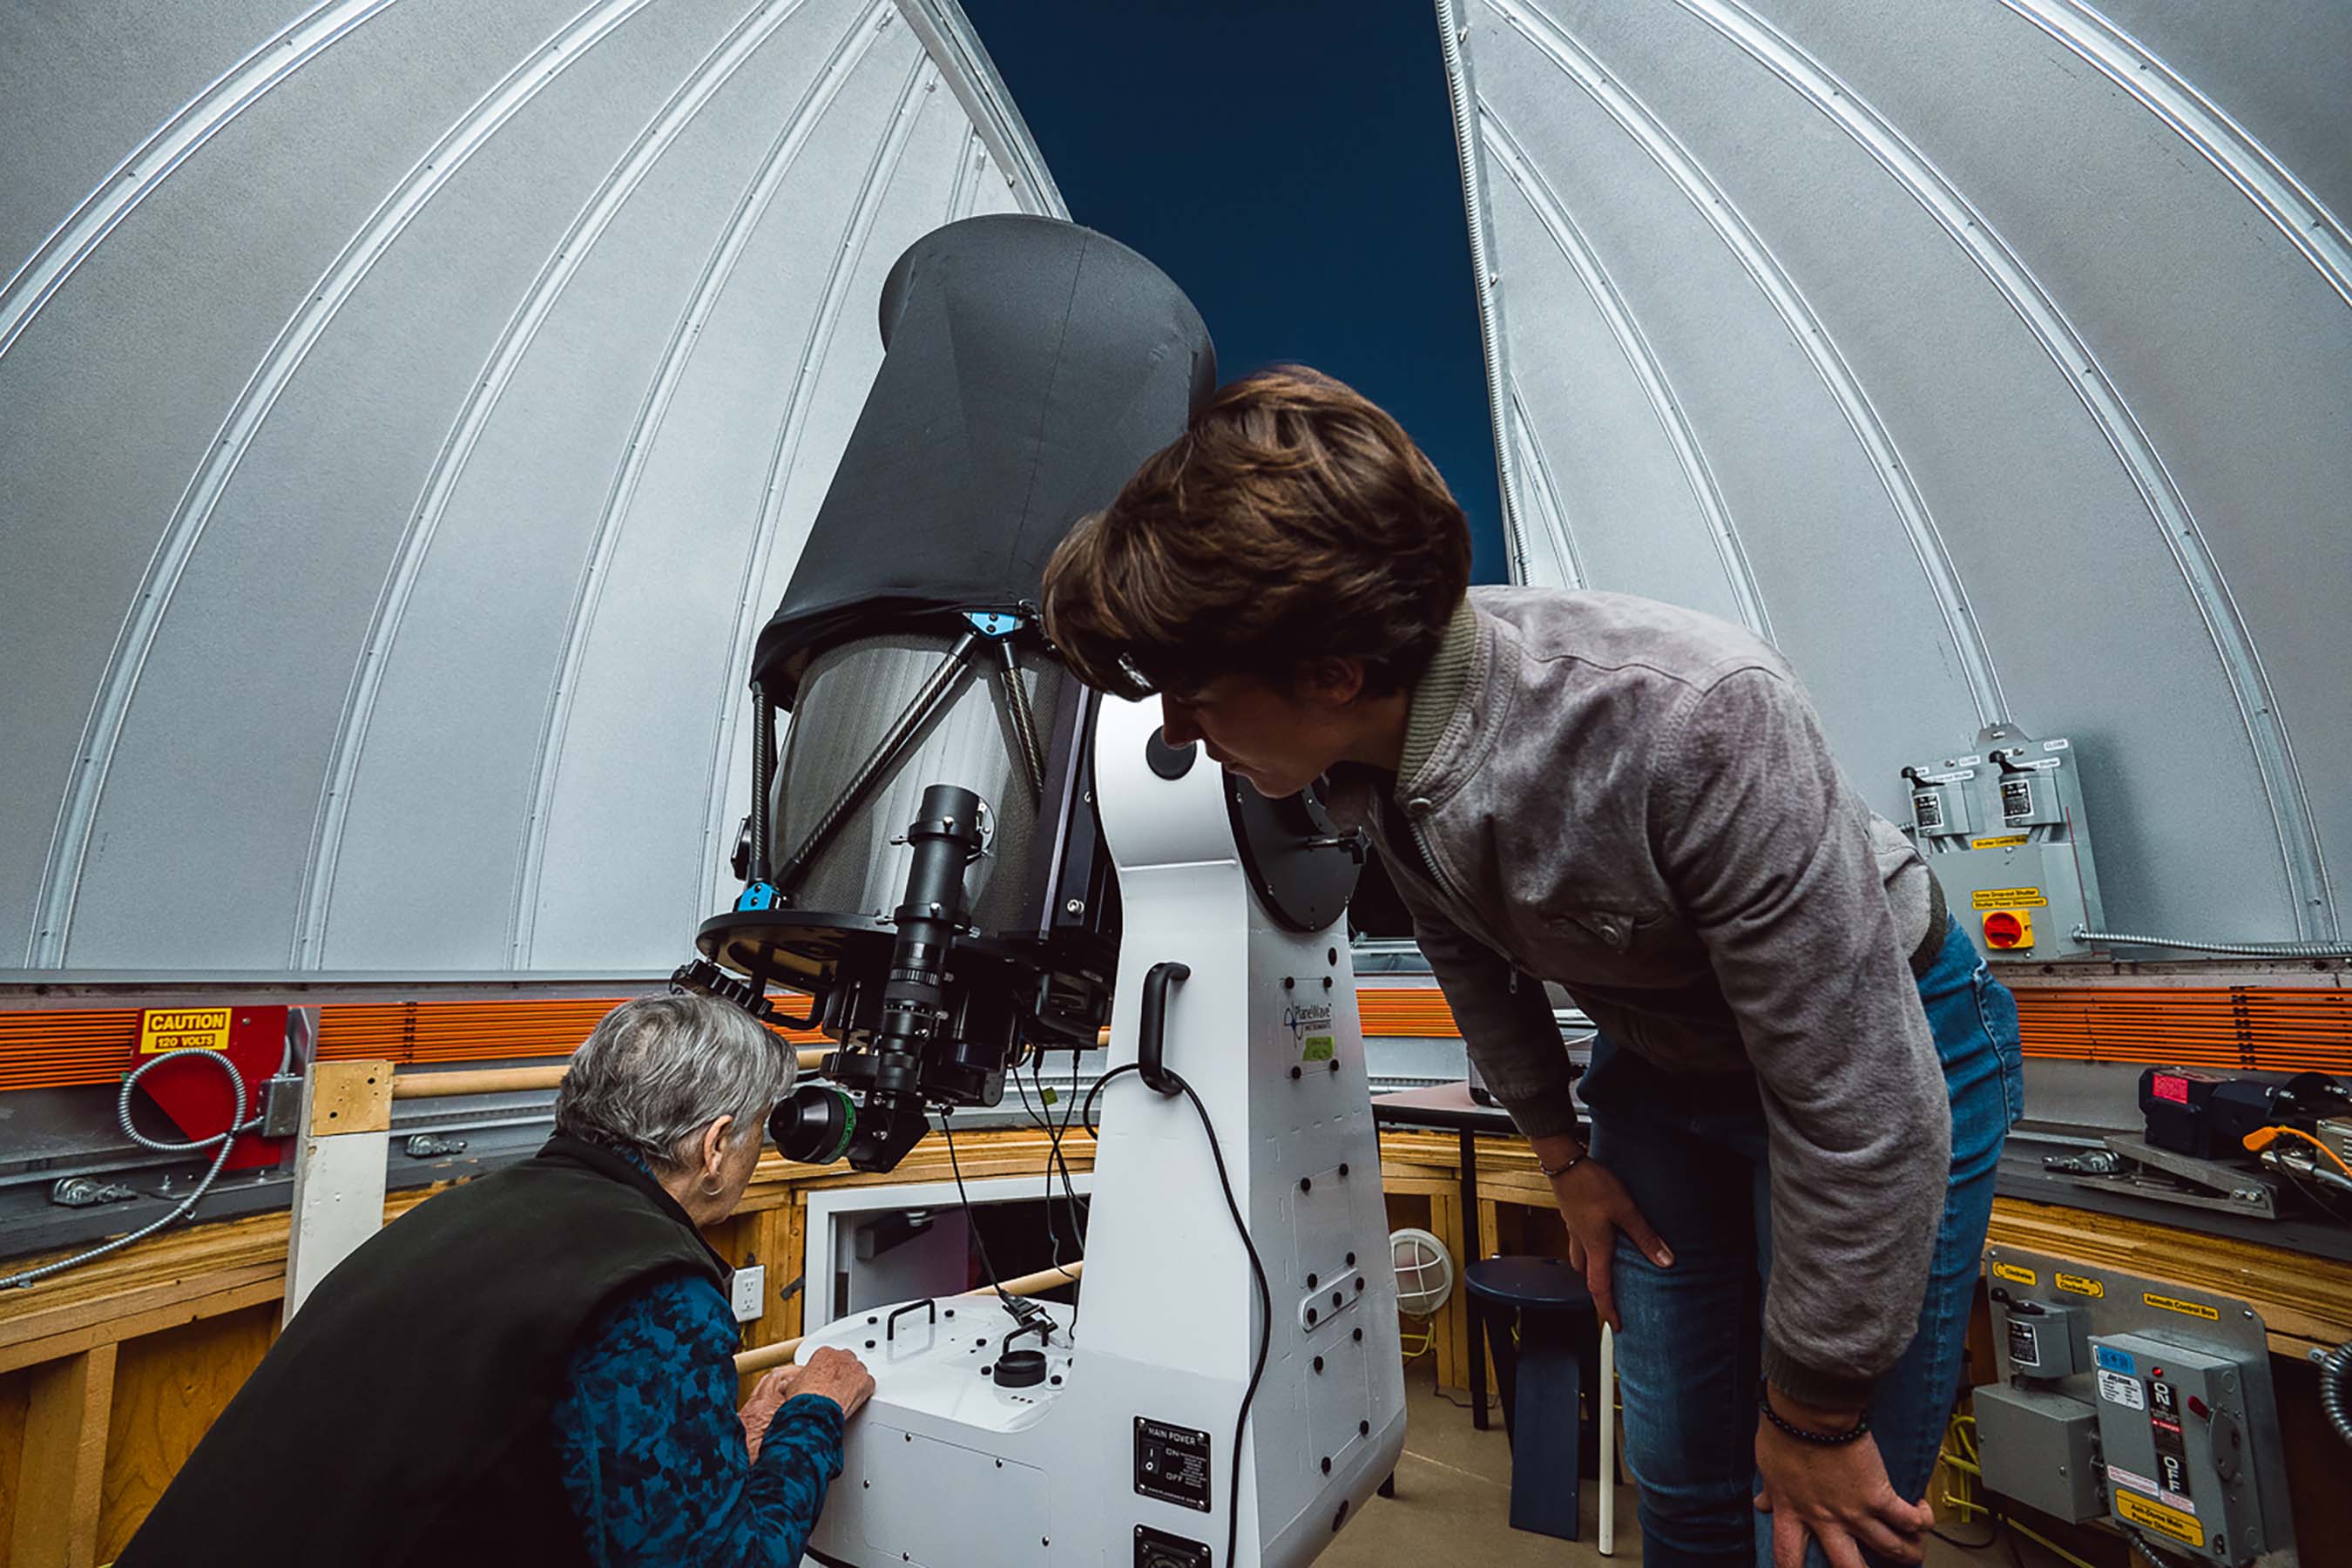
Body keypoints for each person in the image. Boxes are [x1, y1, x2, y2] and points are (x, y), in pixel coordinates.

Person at [1040, 367, 2024, 1568]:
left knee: (1818, 1519)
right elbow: (1470, 947)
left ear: (1333, 671)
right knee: (1681, 1478)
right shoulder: (1375, 755)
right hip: (1660, 1070)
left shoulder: (1692, 719)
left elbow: (1858, 1107)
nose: (1180, 738)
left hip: (1884, 1055)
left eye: (1193, 697)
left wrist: (1816, 1408)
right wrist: (1568, 1159)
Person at [118, 994, 874, 1568]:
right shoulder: (655, 1289)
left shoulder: (469, 1213)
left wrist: (733, 1440)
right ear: (714, 1147)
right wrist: (812, 1415)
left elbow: (561, 1454)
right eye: (753, 1135)